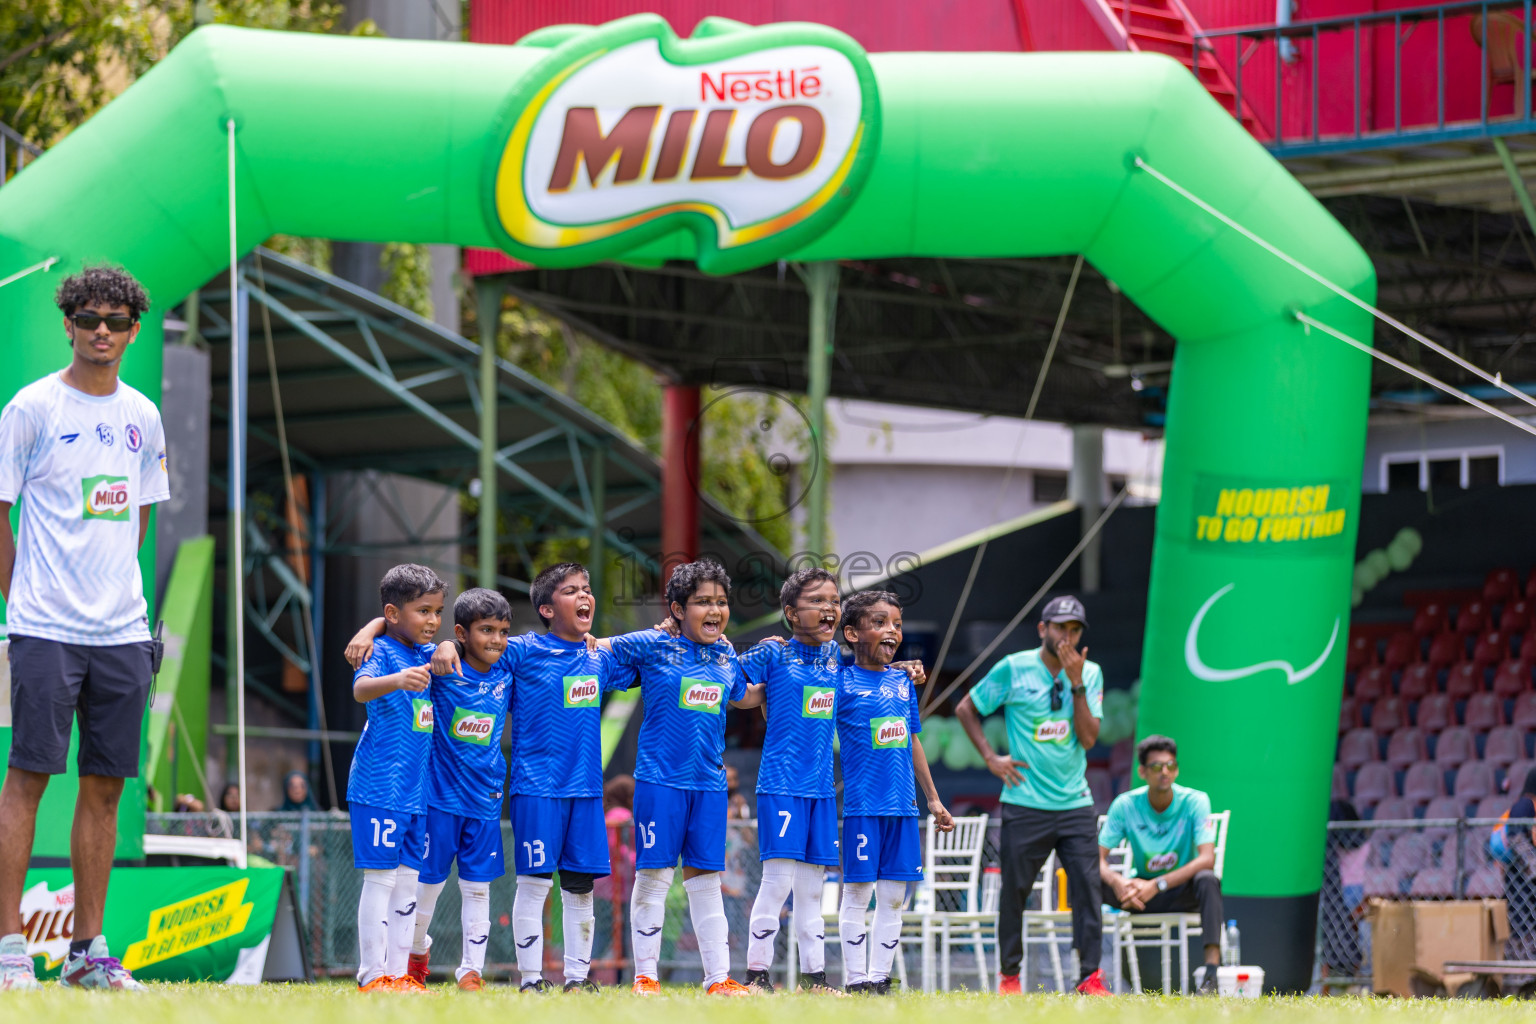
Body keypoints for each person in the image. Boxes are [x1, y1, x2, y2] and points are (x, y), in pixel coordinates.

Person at [0, 265, 169, 992]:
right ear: (67, 324)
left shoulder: (145, 415)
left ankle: (86, 951)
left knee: (106, 788)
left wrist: (111, 596)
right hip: (42, 628)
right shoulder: (32, 407)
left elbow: (141, 513)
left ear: (134, 330)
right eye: (88, 318)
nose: (102, 330)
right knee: (27, 780)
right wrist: (18, 603)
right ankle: (10, 948)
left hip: (122, 634)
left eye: (117, 320)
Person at [427, 563, 635, 993]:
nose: (584, 596)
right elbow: (479, 643)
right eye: (571, 590)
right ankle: (532, 980)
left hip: (586, 792)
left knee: (580, 889)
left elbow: (642, 662)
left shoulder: (598, 657)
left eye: (587, 589)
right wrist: (447, 643)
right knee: (535, 883)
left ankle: (578, 979)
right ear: (545, 607)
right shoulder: (521, 651)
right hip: (536, 788)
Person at [589, 560, 765, 995]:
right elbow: (596, 645)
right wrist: (651, 631)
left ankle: (718, 980)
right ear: (677, 609)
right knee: (654, 878)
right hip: (659, 784)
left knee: (706, 882)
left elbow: (747, 697)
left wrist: (782, 655)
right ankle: (645, 978)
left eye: (721, 602)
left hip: (709, 787)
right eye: (703, 601)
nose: (714, 610)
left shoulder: (726, 654)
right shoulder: (654, 645)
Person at [954, 594, 1110, 996]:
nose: (1067, 636)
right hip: (1025, 802)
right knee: (1015, 892)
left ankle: (1090, 977)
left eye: (1075, 630)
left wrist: (1076, 684)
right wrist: (990, 756)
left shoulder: (1089, 673)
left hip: (1075, 802)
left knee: (1088, 891)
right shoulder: (1014, 667)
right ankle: (1010, 976)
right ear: (1043, 629)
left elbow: (1090, 738)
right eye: (1061, 627)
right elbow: (966, 708)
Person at [835, 589, 953, 995]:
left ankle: (880, 979)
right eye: (880, 623)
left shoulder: (903, 683)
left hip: (903, 808)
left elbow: (912, 740)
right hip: (863, 808)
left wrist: (933, 798)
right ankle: (856, 981)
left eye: (897, 625)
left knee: (893, 899)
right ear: (851, 633)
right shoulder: (840, 682)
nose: (892, 631)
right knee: (857, 894)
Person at [405, 588, 513, 992]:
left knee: (478, 890)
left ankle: (471, 972)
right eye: (486, 630)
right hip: (438, 800)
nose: (496, 640)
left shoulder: (508, 670)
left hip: (485, 802)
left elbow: (553, 643)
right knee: (426, 889)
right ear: (461, 633)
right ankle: (416, 954)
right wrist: (445, 644)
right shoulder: (439, 668)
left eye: (503, 631)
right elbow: (399, 632)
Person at [347, 564, 447, 993]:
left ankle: (399, 972)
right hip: (377, 785)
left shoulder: (426, 653)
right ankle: (372, 974)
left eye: (437, 611)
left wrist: (442, 642)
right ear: (393, 612)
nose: (432, 620)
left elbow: (447, 642)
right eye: (423, 611)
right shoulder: (383, 653)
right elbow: (360, 689)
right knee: (380, 881)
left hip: (415, 791)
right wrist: (396, 679)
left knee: (408, 883)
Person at [1097, 734, 1222, 994]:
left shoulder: (1195, 801)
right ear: (1142, 771)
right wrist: (1119, 882)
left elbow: (1206, 858)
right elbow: (1094, 858)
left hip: (1177, 891)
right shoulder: (1126, 804)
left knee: (1208, 879)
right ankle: (1088, 973)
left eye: (1171, 766)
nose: (1164, 772)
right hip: (1136, 894)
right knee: (1086, 877)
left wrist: (1157, 884)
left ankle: (1212, 973)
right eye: (1156, 767)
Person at [1501, 767, 1536, 984]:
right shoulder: (1524, 805)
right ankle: (1519, 980)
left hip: (1527, 882)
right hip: (1520, 881)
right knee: (1522, 927)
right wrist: (1533, 865)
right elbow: (1516, 838)